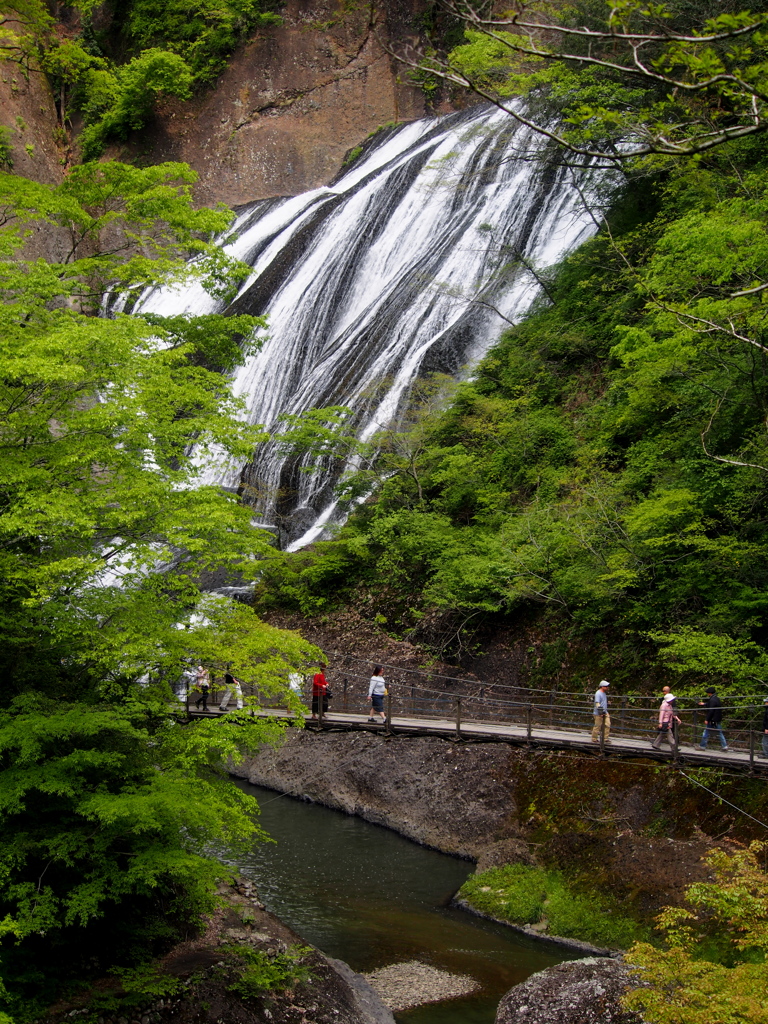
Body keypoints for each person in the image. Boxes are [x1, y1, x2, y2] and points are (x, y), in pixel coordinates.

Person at [699, 686, 728, 750]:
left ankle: (702, 746)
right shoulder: (716, 698)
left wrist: (707, 719)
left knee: (706, 732)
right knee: (719, 732)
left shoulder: (712, 699)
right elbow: (712, 705)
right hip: (717, 719)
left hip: (713, 719)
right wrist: (704, 704)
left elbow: (711, 710)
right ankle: (724, 746)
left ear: (709, 693)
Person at [591, 680, 611, 744]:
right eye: (606, 686)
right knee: (597, 726)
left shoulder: (604, 693)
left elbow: (603, 702)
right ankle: (594, 738)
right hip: (598, 713)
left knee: (608, 724)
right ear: (602, 687)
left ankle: (605, 738)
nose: (607, 687)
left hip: (605, 712)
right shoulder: (598, 693)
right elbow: (597, 703)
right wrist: (600, 712)